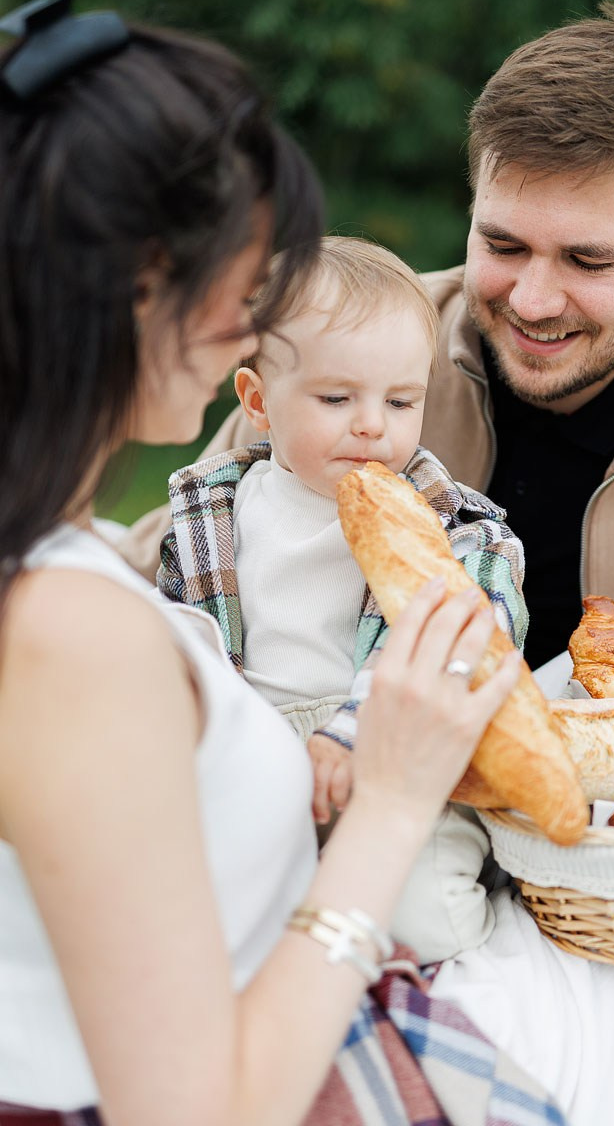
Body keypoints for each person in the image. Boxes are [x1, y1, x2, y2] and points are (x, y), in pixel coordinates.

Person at [0, 0, 561, 1126]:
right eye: (248, 263)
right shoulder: (66, 635)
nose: (259, 302)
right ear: (136, 283)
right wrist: (397, 797)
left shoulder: (71, 557)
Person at [119, 0, 614, 670]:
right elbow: (138, 586)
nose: (532, 302)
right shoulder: (335, 347)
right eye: (502, 245)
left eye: (587, 260)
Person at [156, 235, 527, 834]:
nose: (373, 426)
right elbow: (177, 637)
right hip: (245, 759)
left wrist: (352, 734)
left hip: (392, 761)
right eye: (336, 398)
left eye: (402, 402)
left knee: (431, 903)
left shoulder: (452, 528)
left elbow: (467, 640)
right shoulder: (213, 515)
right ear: (258, 401)